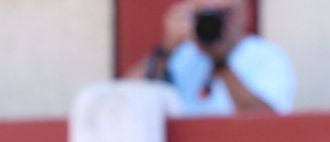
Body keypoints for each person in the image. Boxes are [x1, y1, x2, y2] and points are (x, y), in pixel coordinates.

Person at [121, 1, 295, 116]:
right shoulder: (184, 54)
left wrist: (222, 64)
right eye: (206, 15)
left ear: (244, 15)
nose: (215, 23)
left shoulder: (267, 57)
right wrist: (166, 49)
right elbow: (127, 97)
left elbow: (268, 121)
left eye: (224, 14)